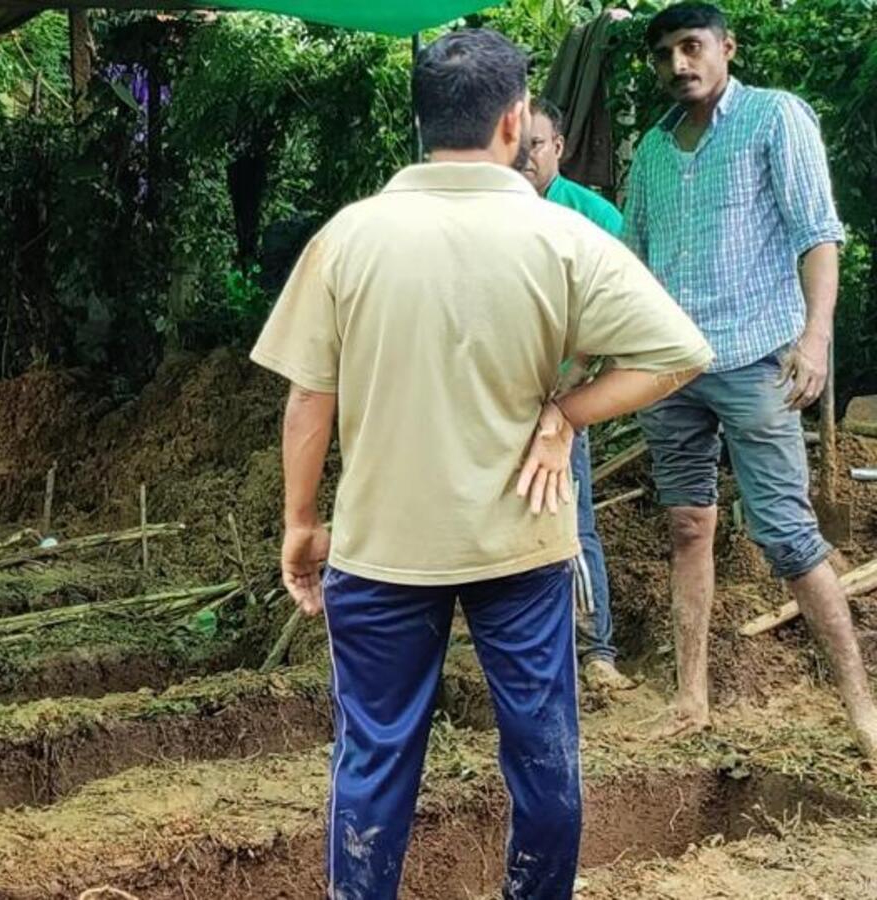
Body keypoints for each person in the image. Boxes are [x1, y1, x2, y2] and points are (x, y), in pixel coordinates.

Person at [253, 29, 712, 899]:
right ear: (514, 121)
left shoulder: (350, 238)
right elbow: (680, 354)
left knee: (375, 757)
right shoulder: (560, 239)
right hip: (521, 547)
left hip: (383, 550)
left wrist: (302, 523)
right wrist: (565, 414)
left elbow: (310, 398)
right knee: (543, 757)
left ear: (422, 121)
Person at [623, 2, 877, 755]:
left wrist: (816, 338)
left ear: (727, 47)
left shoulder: (775, 118)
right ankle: (691, 697)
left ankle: (862, 710)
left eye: (692, 46)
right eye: (665, 52)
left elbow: (817, 233)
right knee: (685, 525)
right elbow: (633, 263)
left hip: (758, 358)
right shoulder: (654, 154)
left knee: (789, 535)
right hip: (669, 370)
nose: (679, 64)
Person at [523, 97, 637, 693]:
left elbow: (624, 303)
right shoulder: (496, 214)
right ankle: (526, 649)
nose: (524, 159)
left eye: (535, 146)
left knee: (572, 517)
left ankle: (596, 648)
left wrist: (581, 374)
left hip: (563, 399)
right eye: (516, 147)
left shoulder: (595, 217)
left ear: (558, 148)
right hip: (498, 396)